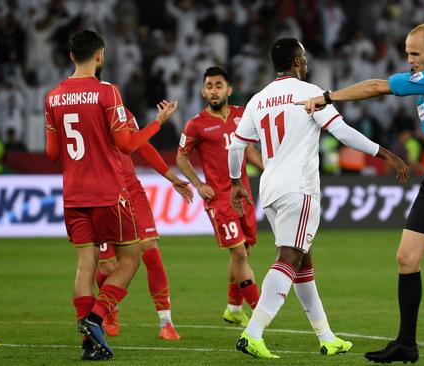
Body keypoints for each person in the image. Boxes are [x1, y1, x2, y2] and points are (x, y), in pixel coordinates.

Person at [299, 24, 424, 366]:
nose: (410, 60)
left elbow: (376, 87)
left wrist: (327, 97)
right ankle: (406, 343)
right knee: (406, 257)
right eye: (407, 53)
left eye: (415, 54)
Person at [229, 38, 409, 359]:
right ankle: (253, 333)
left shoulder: (258, 100)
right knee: (289, 258)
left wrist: (235, 183)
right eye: (305, 57)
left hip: (270, 190)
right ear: (297, 61)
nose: (307, 62)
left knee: (303, 263)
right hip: (300, 189)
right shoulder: (309, 94)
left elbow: (236, 146)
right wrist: (385, 154)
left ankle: (326, 337)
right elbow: (342, 133)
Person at [44, 29, 177, 361]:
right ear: (100, 56)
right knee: (131, 259)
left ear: (71, 56)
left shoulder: (52, 96)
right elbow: (128, 145)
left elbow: (51, 152)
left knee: (85, 266)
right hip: (107, 192)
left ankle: (88, 344)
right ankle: (96, 318)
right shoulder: (107, 92)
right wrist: (157, 123)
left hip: (73, 195)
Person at [176, 66, 263, 327]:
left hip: (243, 195)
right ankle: (260, 311)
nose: (214, 90)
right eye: (209, 86)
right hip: (219, 199)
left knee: (243, 252)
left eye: (218, 85)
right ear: (203, 92)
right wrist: (199, 184)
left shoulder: (241, 115)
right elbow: (181, 157)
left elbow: (248, 149)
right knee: (239, 254)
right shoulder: (196, 124)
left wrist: (269, 171)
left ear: (229, 89)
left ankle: (234, 308)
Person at [96, 106, 193, 340]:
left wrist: (171, 178)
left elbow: (140, 145)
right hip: (102, 192)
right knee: (106, 265)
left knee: (151, 252)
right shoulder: (85, 112)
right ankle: (109, 309)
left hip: (131, 190)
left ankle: (166, 322)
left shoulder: (123, 112)